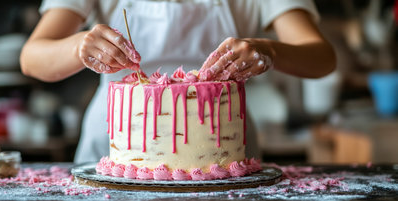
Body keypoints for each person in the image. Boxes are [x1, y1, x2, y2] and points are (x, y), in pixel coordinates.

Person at [20, 0, 335, 163]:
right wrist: (78, 46)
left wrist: (270, 50)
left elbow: (322, 58)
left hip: (221, 158)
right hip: (113, 152)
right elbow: (32, 58)